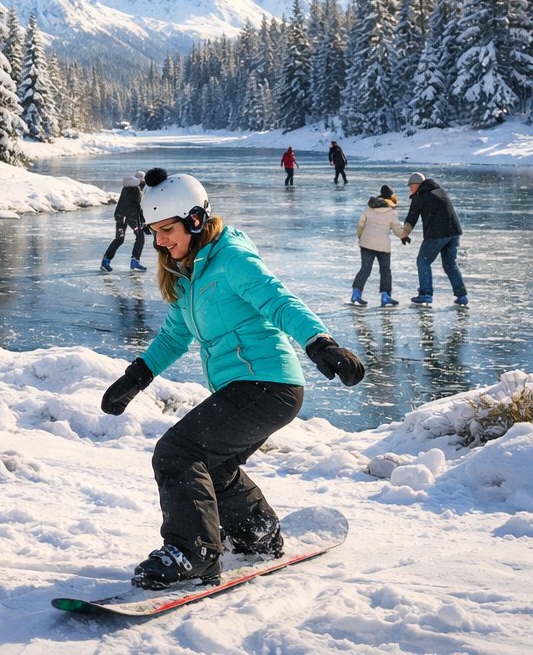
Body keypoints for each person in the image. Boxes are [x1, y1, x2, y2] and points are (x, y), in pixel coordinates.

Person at [99, 167, 365, 590]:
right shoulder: (191, 272)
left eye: (167, 229)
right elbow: (174, 334)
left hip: (267, 384)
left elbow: (278, 300)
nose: (160, 241)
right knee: (214, 466)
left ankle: (194, 552)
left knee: (177, 452)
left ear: (195, 220)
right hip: (251, 387)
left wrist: (320, 343)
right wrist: (136, 377)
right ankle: (256, 532)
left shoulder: (231, 259)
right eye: (154, 232)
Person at [400, 171, 467, 308]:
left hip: (437, 233)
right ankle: (462, 296)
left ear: (416, 184)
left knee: (423, 261)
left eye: (410, 186)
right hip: (453, 232)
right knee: (450, 264)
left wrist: (404, 234)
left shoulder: (420, 196)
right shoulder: (440, 191)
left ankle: (426, 293)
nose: (409, 189)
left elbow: (412, 217)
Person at [351, 184, 408, 307]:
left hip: (366, 244)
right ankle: (385, 296)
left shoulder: (368, 209)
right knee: (385, 271)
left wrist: (360, 237)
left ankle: (356, 294)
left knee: (365, 269)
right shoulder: (392, 213)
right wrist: (405, 235)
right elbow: (398, 231)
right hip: (383, 247)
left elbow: (360, 224)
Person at [101, 171, 147, 272]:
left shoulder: (127, 188)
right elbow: (139, 207)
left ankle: (106, 261)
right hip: (129, 217)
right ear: (141, 181)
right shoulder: (136, 190)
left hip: (121, 216)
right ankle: (135, 262)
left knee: (119, 239)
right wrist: (143, 221)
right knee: (140, 237)